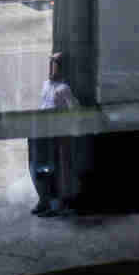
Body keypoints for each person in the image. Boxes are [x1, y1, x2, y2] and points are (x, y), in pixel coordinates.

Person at [29, 52, 79, 217]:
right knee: (42, 168)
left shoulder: (64, 89)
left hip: (58, 134)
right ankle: (44, 200)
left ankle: (57, 205)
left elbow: (75, 110)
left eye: (55, 65)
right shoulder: (46, 84)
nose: (51, 69)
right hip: (44, 133)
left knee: (58, 170)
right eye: (51, 64)